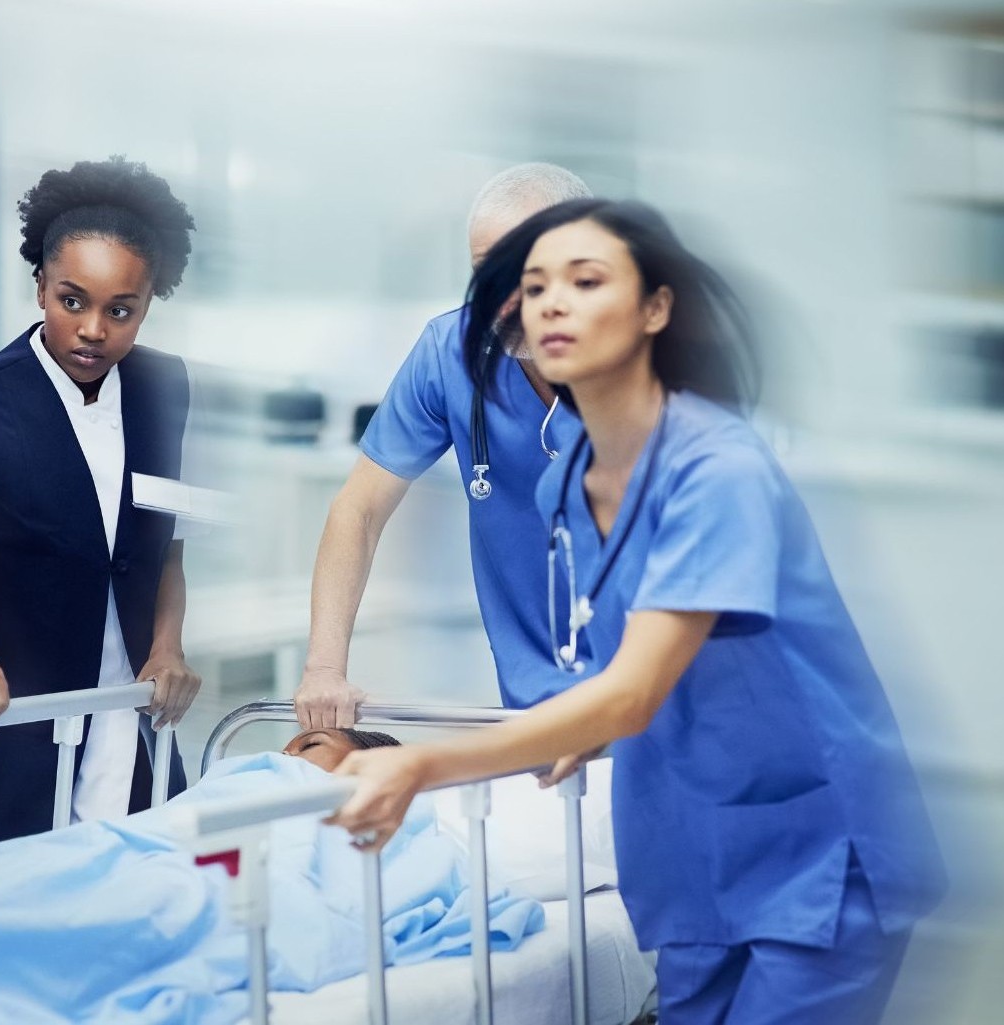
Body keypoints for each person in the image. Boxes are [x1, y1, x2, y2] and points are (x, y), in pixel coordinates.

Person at [329, 199, 947, 1023]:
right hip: (686, 852)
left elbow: (632, 690)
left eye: (584, 281)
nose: (545, 301)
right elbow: (592, 662)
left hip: (812, 850)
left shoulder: (718, 471)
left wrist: (420, 763)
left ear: (657, 307)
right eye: (532, 283)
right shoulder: (568, 476)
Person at [0, 156, 203, 860]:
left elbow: (168, 541)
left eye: (120, 310)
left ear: (148, 302)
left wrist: (166, 647)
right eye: (73, 300)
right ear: (40, 287)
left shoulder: (164, 387)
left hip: (126, 717)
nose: (94, 329)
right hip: (11, 724)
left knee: (133, 907)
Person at [0, 727, 543, 1025]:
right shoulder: (253, 773)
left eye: (311, 745)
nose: (287, 749)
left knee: (160, 903)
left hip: (228, 874)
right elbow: (172, 821)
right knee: (14, 868)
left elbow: (362, 884)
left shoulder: (403, 823)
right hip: (157, 840)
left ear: (367, 762)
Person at [294, 163, 593, 730]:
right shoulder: (450, 353)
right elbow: (358, 509)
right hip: (535, 710)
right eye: (486, 271)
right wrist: (324, 668)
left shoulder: (642, 370)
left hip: (654, 704)